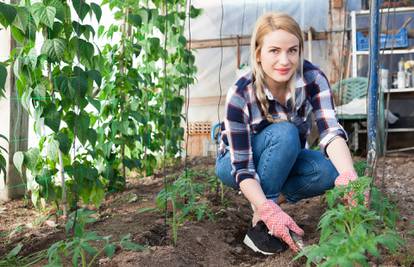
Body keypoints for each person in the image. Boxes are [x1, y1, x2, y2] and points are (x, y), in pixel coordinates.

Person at [215, 12, 358, 255]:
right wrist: (266, 207)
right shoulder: (241, 93)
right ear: (258, 53)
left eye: (292, 50)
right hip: (234, 162)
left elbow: (330, 131)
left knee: (330, 171)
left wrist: (349, 175)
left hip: (283, 157)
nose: (285, 60)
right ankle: (262, 222)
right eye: (274, 51)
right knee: (285, 132)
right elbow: (243, 167)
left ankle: (267, 205)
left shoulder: (313, 78)